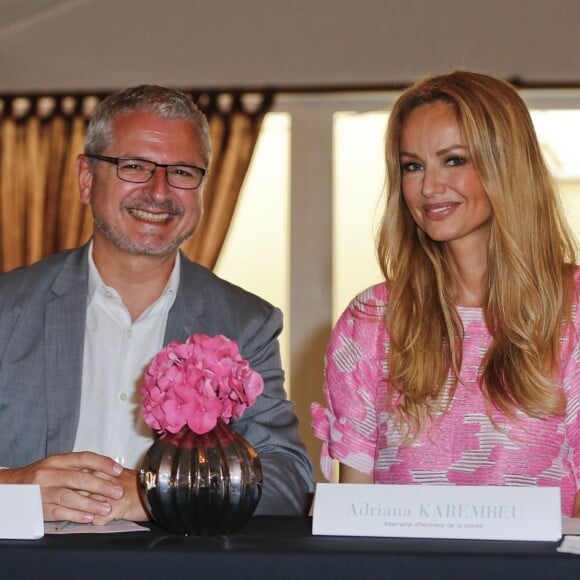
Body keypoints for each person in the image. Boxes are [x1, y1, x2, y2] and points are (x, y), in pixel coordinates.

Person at [0, 84, 314, 524]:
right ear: (86, 178)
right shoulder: (7, 310)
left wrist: (165, 492)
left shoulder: (245, 323)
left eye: (182, 172)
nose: (160, 191)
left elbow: (288, 481)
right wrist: (13, 486)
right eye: (135, 167)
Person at [311, 70, 580, 516]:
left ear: (506, 164)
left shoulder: (572, 309)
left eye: (453, 159)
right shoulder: (373, 318)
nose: (428, 187)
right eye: (412, 165)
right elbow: (353, 511)